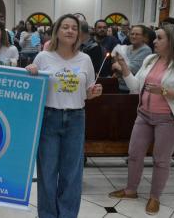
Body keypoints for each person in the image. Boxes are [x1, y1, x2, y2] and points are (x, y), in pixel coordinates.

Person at [109, 24, 174, 215]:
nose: (154, 41)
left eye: (160, 38)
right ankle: (131, 190)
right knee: (134, 154)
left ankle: (155, 197)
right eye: (155, 38)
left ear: (172, 41)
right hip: (144, 115)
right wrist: (124, 68)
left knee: (161, 160)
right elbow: (136, 87)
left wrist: (165, 91)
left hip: (168, 119)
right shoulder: (150, 59)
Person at [25, 14, 102, 218]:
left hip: (76, 119)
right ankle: (48, 215)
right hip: (49, 118)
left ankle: (67, 214)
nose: (69, 31)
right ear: (57, 31)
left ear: (79, 34)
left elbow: (87, 92)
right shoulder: (43, 57)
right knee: (48, 173)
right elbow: (33, 89)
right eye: (65, 27)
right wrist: (31, 72)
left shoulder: (85, 59)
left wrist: (94, 93)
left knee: (72, 173)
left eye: (74, 28)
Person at [112, 25, 152, 93]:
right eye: (132, 34)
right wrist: (119, 67)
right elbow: (114, 67)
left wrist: (117, 66)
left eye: (137, 34)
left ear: (144, 36)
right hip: (119, 85)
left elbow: (132, 70)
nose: (134, 36)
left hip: (132, 89)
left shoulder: (146, 50)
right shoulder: (127, 48)